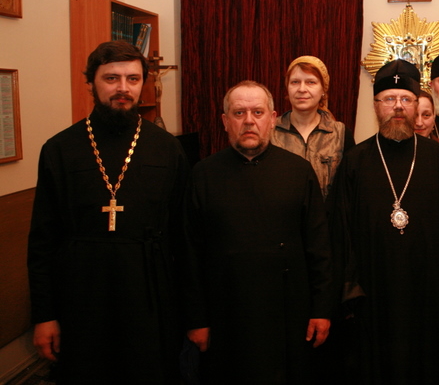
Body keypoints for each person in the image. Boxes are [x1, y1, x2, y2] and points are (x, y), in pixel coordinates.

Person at [27, 41, 190, 384]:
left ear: (143, 83)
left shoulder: (167, 148)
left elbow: (184, 239)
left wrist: (192, 315)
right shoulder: (60, 149)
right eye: (111, 78)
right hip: (82, 294)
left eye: (133, 79)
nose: (123, 88)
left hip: (150, 294)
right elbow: (43, 242)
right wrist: (44, 315)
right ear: (91, 82)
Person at [183, 80, 335, 384]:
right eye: (239, 113)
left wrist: (322, 309)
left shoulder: (298, 171)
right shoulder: (203, 174)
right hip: (226, 315)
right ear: (225, 121)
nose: (249, 121)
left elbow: (319, 247)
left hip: (287, 313)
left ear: (272, 118)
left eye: (257, 112)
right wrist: (196, 319)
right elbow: (190, 253)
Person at [332, 59, 439, 384]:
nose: (398, 106)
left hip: (426, 298)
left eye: (406, 99)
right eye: (389, 99)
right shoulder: (355, 161)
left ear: (417, 105)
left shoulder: (436, 158)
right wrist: (351, 294)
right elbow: (341, 234)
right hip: (372, 300)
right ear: (376, 105)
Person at [271, 55, 355, 200]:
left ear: (323, 89)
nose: (302, 89)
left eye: (311, 82)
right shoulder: (270, 131)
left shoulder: (340, 134)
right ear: (287, 87)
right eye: (295, 82)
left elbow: (349, 189)